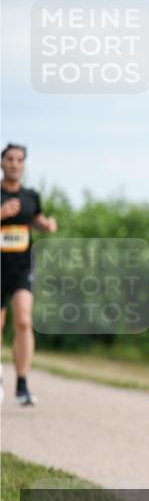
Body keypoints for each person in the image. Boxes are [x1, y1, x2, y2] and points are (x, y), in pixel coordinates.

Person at [1, 143, 57, 406]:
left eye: (19, 160)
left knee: (23, 321)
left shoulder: (30, 196)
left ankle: (22, 384)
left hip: (22, 267)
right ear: (2, 163)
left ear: (24, 165)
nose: (14, 164)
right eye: (10, 159)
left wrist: (46, 224)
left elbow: (35, 217)